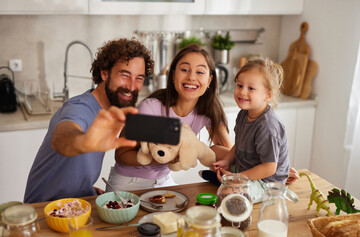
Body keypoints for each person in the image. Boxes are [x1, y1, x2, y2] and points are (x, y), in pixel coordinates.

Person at [24, 38, 154, 203]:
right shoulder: (80, 107)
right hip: (43, 210)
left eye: (139, 78)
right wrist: (83, 142)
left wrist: (86, 189)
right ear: (104, 73)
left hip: (76, 204)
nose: (131, 86)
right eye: (124, 75)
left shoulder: (107, 112)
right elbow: (63, 136)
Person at [107, 44, 233, 191]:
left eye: (200, 72)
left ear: (209, 80)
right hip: (129, 182)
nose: (191, 77)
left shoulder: (208, 110)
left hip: (163, 180)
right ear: (173, 75)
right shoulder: (150, 108)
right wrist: (163, 157)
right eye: (185, 70)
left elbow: (228, 152)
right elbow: (121, 154)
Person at [201, 58, 298, 202]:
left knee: (229, 193)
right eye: (239, 85)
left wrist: (237, 178)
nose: (242, 92)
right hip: (247, 168)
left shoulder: (268, 127)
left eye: (251, 88)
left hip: (266, 183)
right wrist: (227, 161)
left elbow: (269, 168)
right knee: (214, 151)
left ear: (268, 95)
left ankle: (227, 184)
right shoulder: (244, 113)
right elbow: (240, 144)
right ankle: (227, 180)